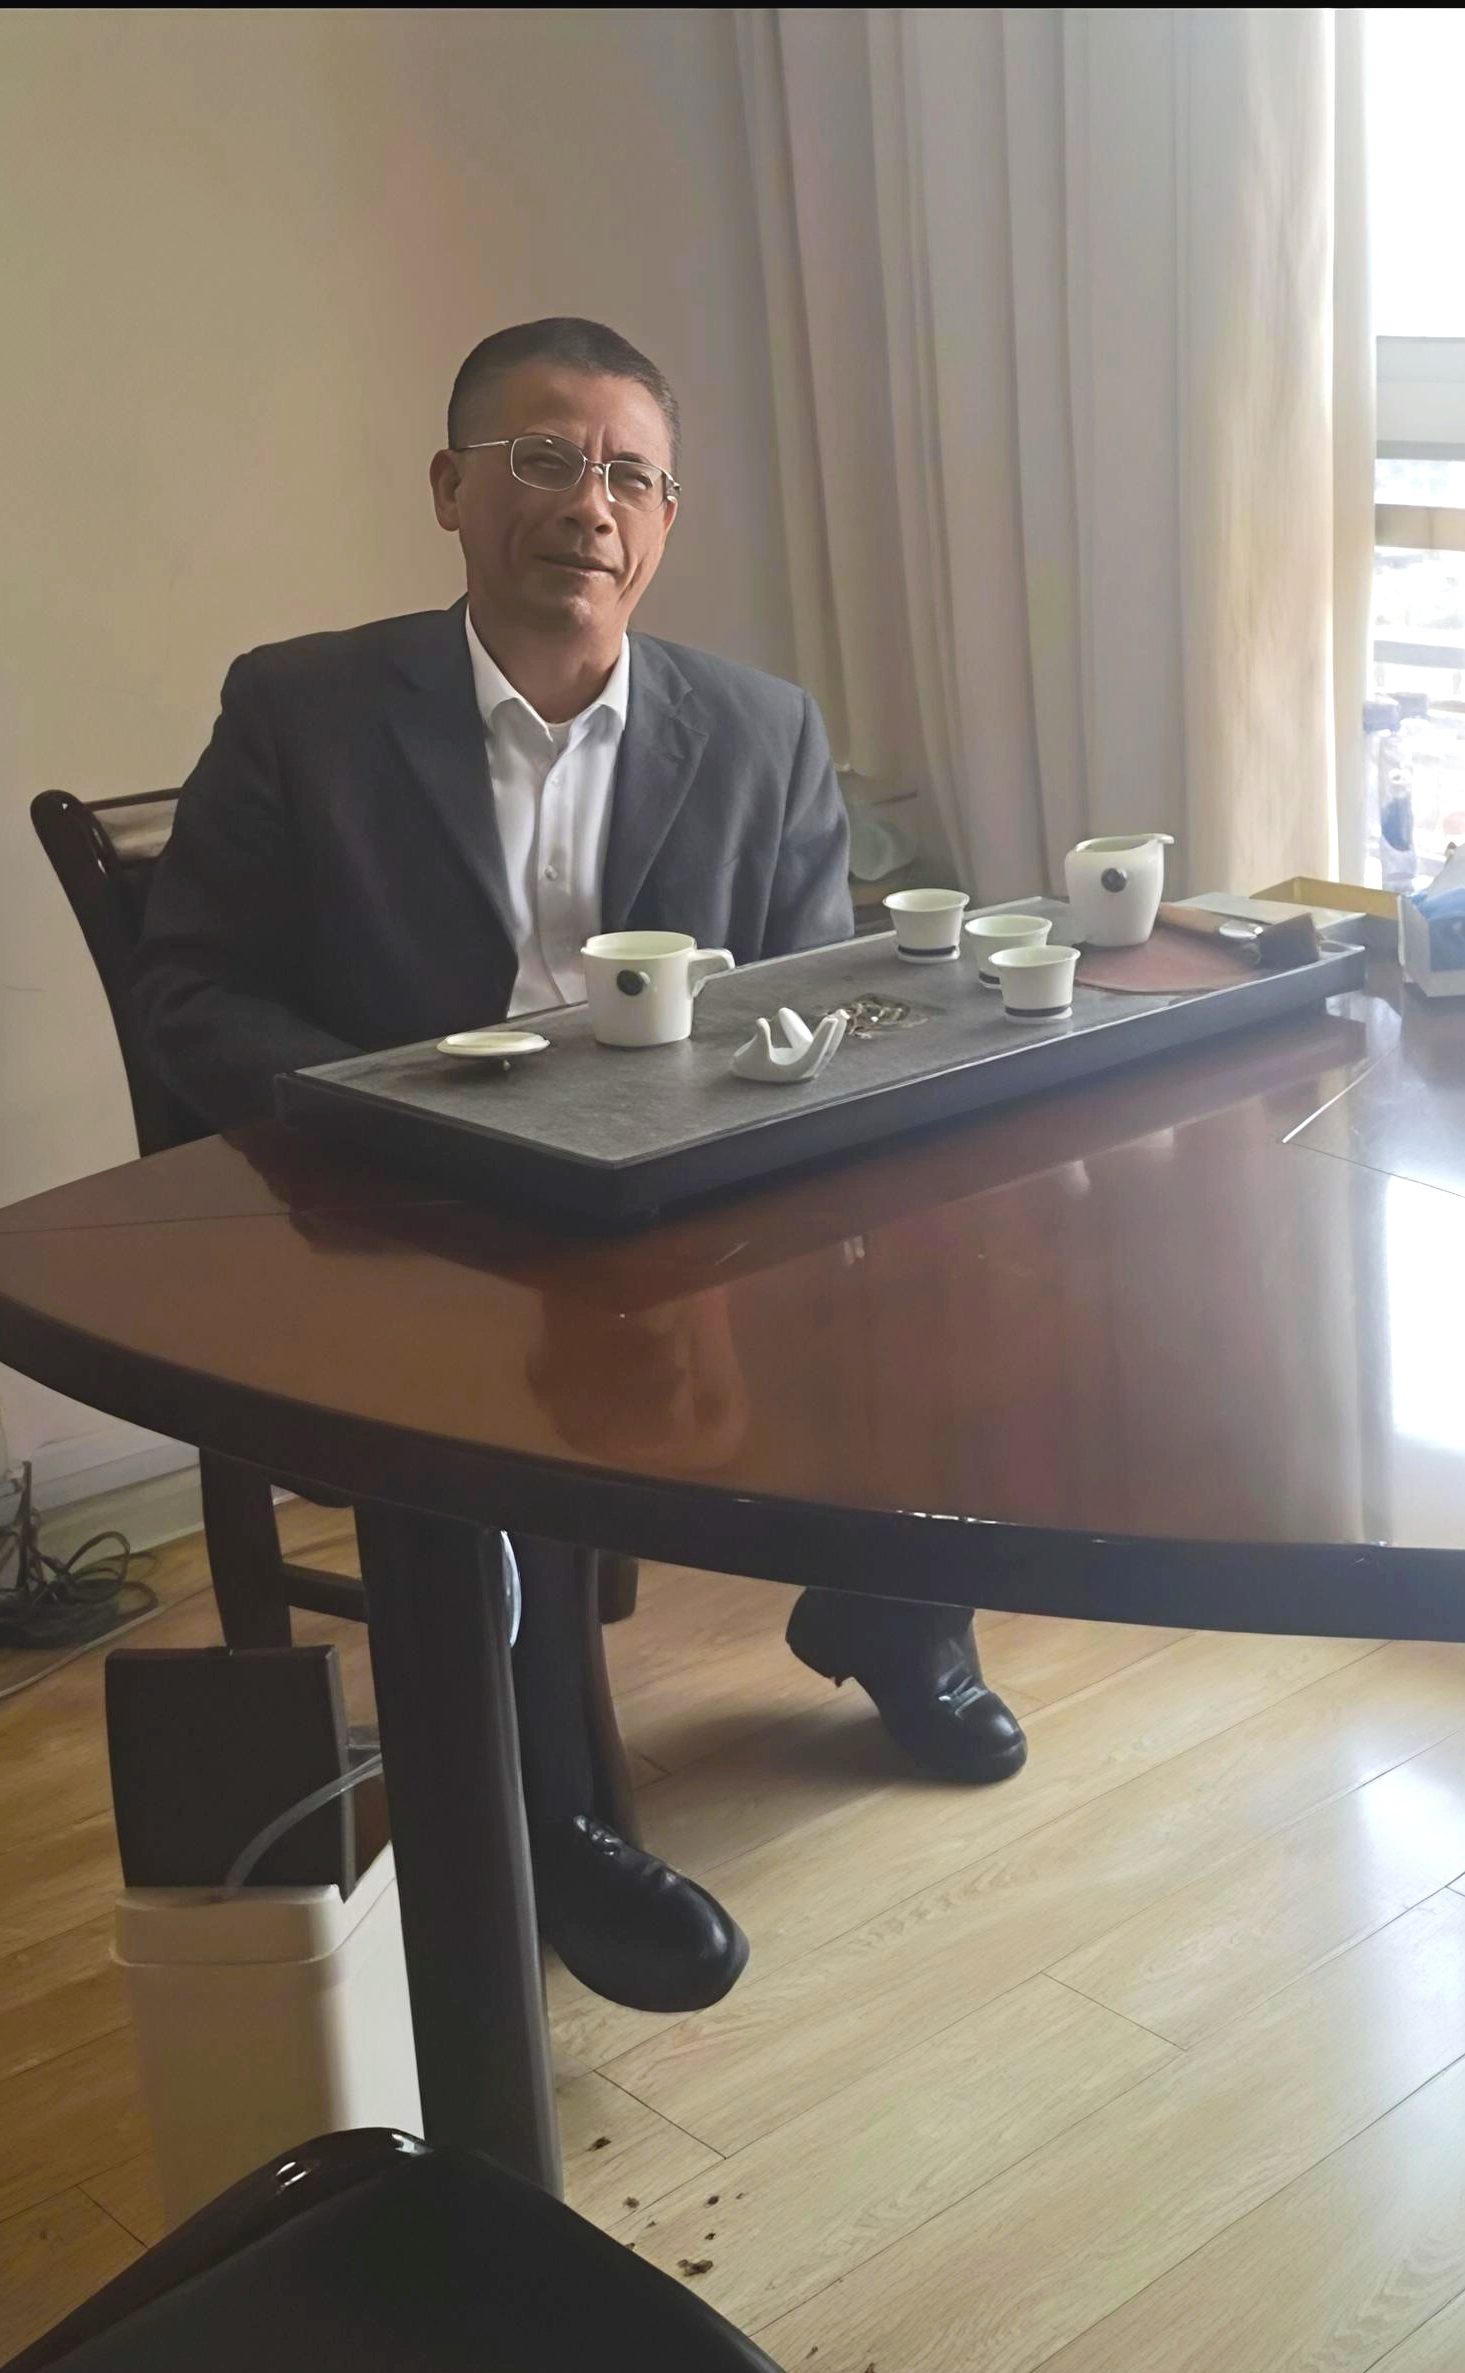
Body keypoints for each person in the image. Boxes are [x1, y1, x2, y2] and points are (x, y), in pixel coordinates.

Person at [134, 318, 1030, 2015]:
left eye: (630, 473)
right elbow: (191, 987)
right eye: (542, 458)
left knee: (936, 1279)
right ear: (450, 488)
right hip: (420, 1212)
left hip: (681, 1192)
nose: (588, 503)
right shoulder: (304, 709)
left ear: (666, 520)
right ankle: (554, 1814)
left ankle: (890, 1615)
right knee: (515, 1386)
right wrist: (388, 1117)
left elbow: (816, 1006)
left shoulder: (760, 730)